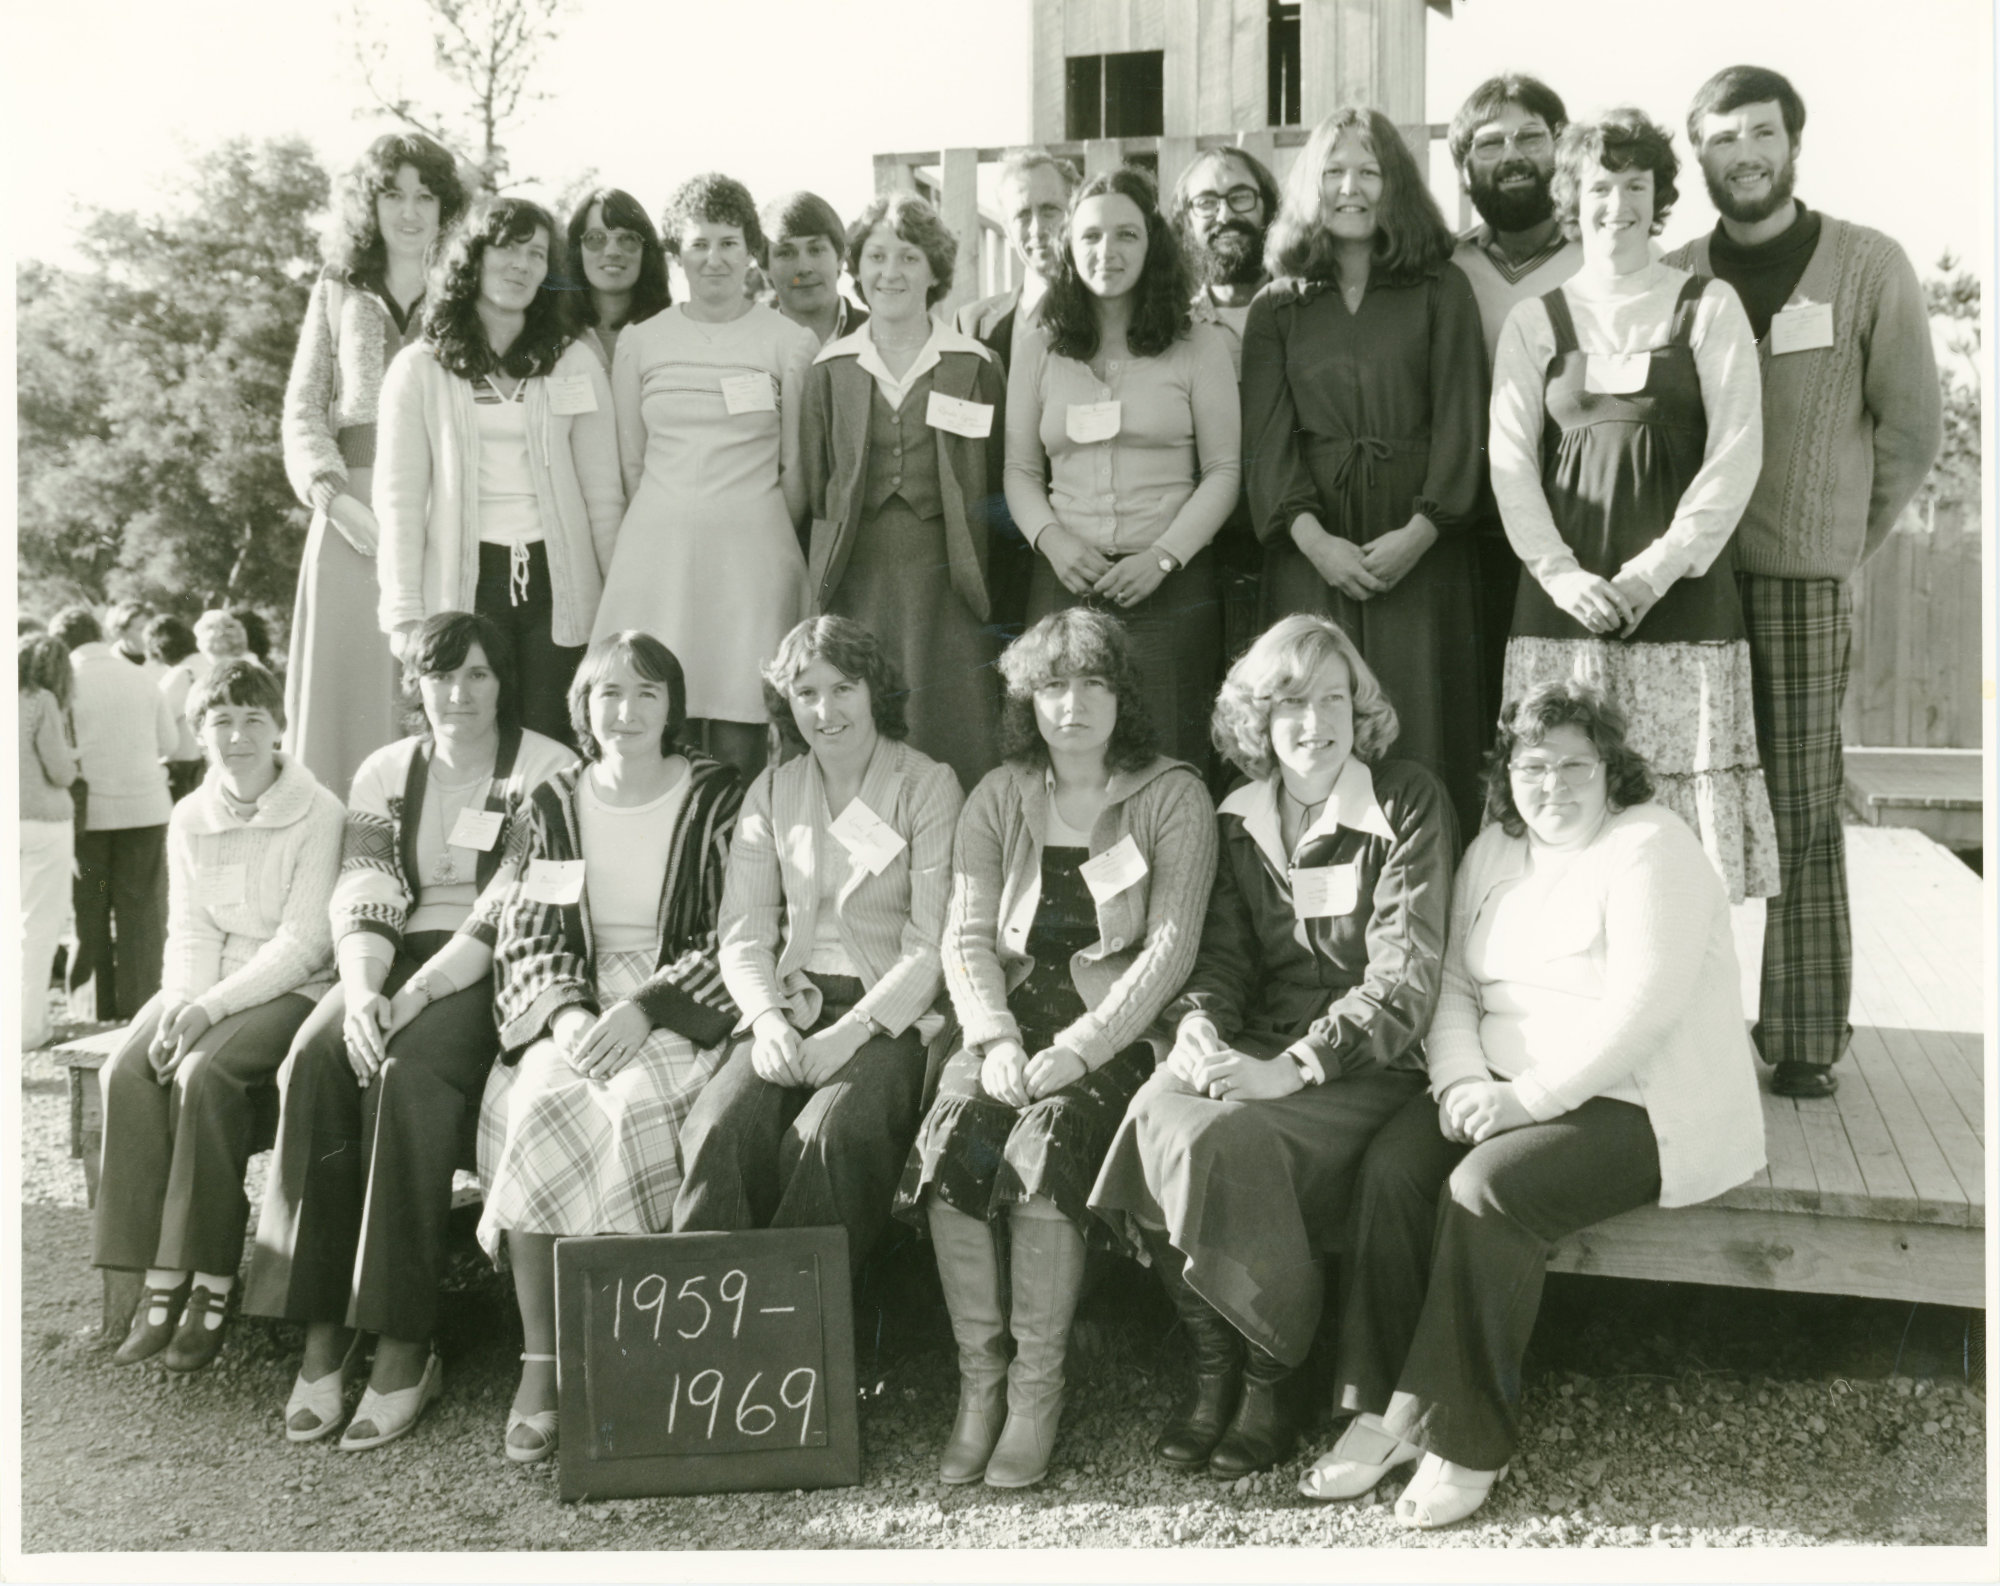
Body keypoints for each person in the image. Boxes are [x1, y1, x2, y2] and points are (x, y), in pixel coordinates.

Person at [1301, 682, 1765, 1528]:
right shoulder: (1493, 852)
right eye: (1532, 765)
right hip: (1504, 1087)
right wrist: (1463, 1082)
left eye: (1574, 766)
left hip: (1640, 1102)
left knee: (1489, 1190)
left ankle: (1466, 1440)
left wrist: (1528, 1101)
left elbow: (1645, 1010)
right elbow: (1451, 988)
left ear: (1611, 769)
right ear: (1507, 772)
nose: (1552, 785)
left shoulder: (1650, 846)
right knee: (1397, 1166)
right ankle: (1385, 1411)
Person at [1091, 614, 1455, 1480]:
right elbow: (1221, 959)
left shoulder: (1405, 801)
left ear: (1359, 710)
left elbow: (1405, 982)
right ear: (1258, 721)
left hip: (1367, 1060)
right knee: (1153, 1114)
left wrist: (1288, 1068)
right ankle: (1213, 1371)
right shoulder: (1236, 815)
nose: (1314, 722)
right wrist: (1201, 1026)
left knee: (1228, 1137)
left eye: (1334, 699)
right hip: (1255, 1042)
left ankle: (1270, 1377)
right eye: (1290, 703)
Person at [894, 609, 1218, 1490]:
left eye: (1093, 684)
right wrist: (992, 1036)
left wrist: (1082, 1047)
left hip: (1107, 1035)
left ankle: (1038, 1394)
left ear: (1124, 696)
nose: (1072, 705)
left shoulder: (1171, 793)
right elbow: (965, 937)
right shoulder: (1000, 794)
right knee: (955, 1131)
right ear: (1026, 701)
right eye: (1053, 686)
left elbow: (1170, 949)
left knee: (1044, 1148)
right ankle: (980, 1387)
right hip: (1004, 1025)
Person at [1667, 66, 1943, 1099]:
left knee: (1800, 809)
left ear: (1792, 142)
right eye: (1720, 136)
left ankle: (1798, 1037)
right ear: (1695, 154)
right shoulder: (1677, 272)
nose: (1742, 152)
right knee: (1681, 805)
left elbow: (1913, 430)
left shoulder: (1866, 268)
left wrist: (1835, 541)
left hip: (1798, 587)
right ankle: (1680, 1023)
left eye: (1759, 132)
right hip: (1688, 585)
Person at [245, 611, 575, 1449]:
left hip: (489, 964)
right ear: (415, 685)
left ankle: (402, 1345)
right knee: (315, 1060)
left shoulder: (548, 768)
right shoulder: (386, 770)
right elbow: (364, 887)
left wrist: (418, 994)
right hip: (386, 958)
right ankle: (323, 1337)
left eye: (477, 676)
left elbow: (519, 901)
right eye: (440, 677)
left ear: (504, 683)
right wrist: (360, 995)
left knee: (409, 1075)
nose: (457, 694)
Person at [1490, 109, 1776, 904]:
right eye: (1598, 187)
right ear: (1571, 200)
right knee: (1562, 816)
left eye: (1634, 186)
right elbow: (1509, 464)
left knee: (1679, 846)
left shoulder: (1707, 306)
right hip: (1563, 615)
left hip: (1680, 607)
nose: (1615, 204)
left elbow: (1736, 454)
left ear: (1659, 199)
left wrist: (1654, 572)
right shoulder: (1533, 321)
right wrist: (1560, 575)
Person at [478, 631, 744, 1464]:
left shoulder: (719, 797)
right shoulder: (551, 801)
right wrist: (563, 1017)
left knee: (636, 1106)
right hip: (577, 993)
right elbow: (526, 926)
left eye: (645, 694)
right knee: (544, 1098)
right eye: (607, 695)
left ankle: (633, 1356)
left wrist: (649, 1006)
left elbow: (741, 928)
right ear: (582, 708)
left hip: (680, 997)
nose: (624, 712)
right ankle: (543, 1359)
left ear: (673, 706)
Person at [674, 618, 963, 1270]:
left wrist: (852, 1032)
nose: (825, 711)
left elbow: (931, 943)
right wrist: (766, 1021)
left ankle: (802, 1336)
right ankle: (705, 1324)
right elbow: (744, 932)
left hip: (887, 1015)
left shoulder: (926, 785)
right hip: (791, 1002)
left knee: (829, 1136)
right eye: (805, 692)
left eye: (844, 688)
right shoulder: (774, 789)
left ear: (875, 690)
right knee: (718, 1129)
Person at [1243, 107, 1490, 833]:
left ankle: (1425, 898)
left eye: (1370, 171)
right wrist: (1314, 540)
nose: (1351, 188)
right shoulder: (1277, 305)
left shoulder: (1440, 288)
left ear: (1397, 186)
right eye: (1334, 172)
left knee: (1421, 719)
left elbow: (1462, 419)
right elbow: (1266, 438)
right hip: (1312, 551)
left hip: (1420, 548)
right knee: (1309, 719)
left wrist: (1423, 528)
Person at [92, 660, 344, 1372]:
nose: (236, 737)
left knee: (204, 1075)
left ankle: (208, 1283)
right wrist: (177, 1004)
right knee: (128, 1070)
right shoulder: (190, 815)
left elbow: (304, 943)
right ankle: (155, 1280)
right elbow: (192, 929)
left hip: (287, 986)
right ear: (200, 732)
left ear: (278, 730)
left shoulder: (317, 811)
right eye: (220, 722)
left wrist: (207, 1011)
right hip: (207, 983)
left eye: (252, 721)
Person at [1004, 165, 1240, 770]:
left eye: (1126, 235)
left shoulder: (1199, 345)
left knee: (1168, 752)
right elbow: (1020, 472)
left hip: (1168, 585)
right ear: (1069, 247)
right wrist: (1053, 542)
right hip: (1064, 583)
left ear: (1153, 243)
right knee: (1067, 754)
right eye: (1090, 236)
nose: (1106, 251)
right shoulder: (1038, 347)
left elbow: (1222, 470)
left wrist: (1162, 557)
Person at [591, 174, 818, 781]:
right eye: (698, 244)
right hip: (657, 559)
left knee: (745, 728)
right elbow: (630, 463)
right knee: (660, 717)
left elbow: (796, 467)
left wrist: (759, 529)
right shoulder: (642, 342)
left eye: (728, 242)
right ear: (675, 253)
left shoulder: (788, 341)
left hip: (753, 558)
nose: (713, 258)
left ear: (751, 252)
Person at [377, 195, 622, 748]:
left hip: (560, 590)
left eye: (537, 255)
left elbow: (603, 496)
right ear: (473, 258)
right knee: (471, 746)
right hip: (463, 587)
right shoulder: (419, 368)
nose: (522, 265)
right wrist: (404, 614)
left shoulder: (574, 361)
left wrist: (617, 604)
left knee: (551, 745)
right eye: (508, 249)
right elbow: (399, 501)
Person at [800, 192, 1008, 790]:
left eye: (909, 257)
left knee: (952, 719)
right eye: (876, 256)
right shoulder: (830, 370)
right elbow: (818, 490)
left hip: (949, 578)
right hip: (858, 577)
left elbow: (992, 484)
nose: (891, 272)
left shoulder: (974, 363)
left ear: (935, 269)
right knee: (865, 713)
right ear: (857, 269)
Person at [283, 132, 467, 800]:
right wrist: (334, 499)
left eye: (426, 196)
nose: (410, 212)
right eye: (394, 194)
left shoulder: (466, 291)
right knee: (340, 705)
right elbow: (303, 409)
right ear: (370, 203)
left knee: (428, 691)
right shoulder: (338, 289)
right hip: (349, 523)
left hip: (440, 509)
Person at [1446, 75, 1583, 738]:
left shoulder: (1604, 258)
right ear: (1465, 165)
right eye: (1490, 143)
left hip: (1575, 531)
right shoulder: (1443, 267)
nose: (1513, 155)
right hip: (1461, 533)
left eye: (1531, 136)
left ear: (1564, 148)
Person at [1167, 145, 1281, 715]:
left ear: (1267, 209)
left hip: (1289, 538)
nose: (1225, 214)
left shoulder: (1300, 305)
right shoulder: (1170, 324)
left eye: (1241, 197)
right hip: (1199, 549)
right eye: (1205, 202)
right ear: (1183, 221)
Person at [957, 149, 1083, 642]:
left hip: (1075, 541)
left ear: (1076, 209)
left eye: (1050, 210)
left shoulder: (1109, 320)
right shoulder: (973, 323)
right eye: (1021, 215)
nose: (1036, 227)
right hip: (997, 548)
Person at [57, 605, 178, 1021]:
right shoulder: (142, 678)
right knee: (141, 911)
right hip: (146, 808)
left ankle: (92, 1006)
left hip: (88, 817)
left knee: (88, 907)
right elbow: (170, 743)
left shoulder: (64, 683)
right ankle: (142, 1002)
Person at [19, 635, 79, 1052]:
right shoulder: (39, 701)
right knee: (37, 929)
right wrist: (74, 760)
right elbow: (59, 772)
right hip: (42, 821)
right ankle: (27, 1028)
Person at [563, 186, 671, 373]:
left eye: (628, 239)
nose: (612, 251)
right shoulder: (557, 336)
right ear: (576, 250)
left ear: (646, 252)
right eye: (596, 238)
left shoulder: (670, 333)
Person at [764, 190, 870, 346]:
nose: (804, 268)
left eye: (816, 250)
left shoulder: (881, 337)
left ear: (840, 258)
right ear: (764, 268)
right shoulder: (746, 351)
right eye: (786, 253)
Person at [147, 615, 207, 802]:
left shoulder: (181, 674)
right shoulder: (208, 664)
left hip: (182, 767)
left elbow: (157, 722)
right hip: (203, 762)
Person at [107, 603, 158, 673]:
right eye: (141, 629)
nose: (150, 635)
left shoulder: (165, 655)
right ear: (121, 632)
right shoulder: (111, 663)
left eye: (151, 628)